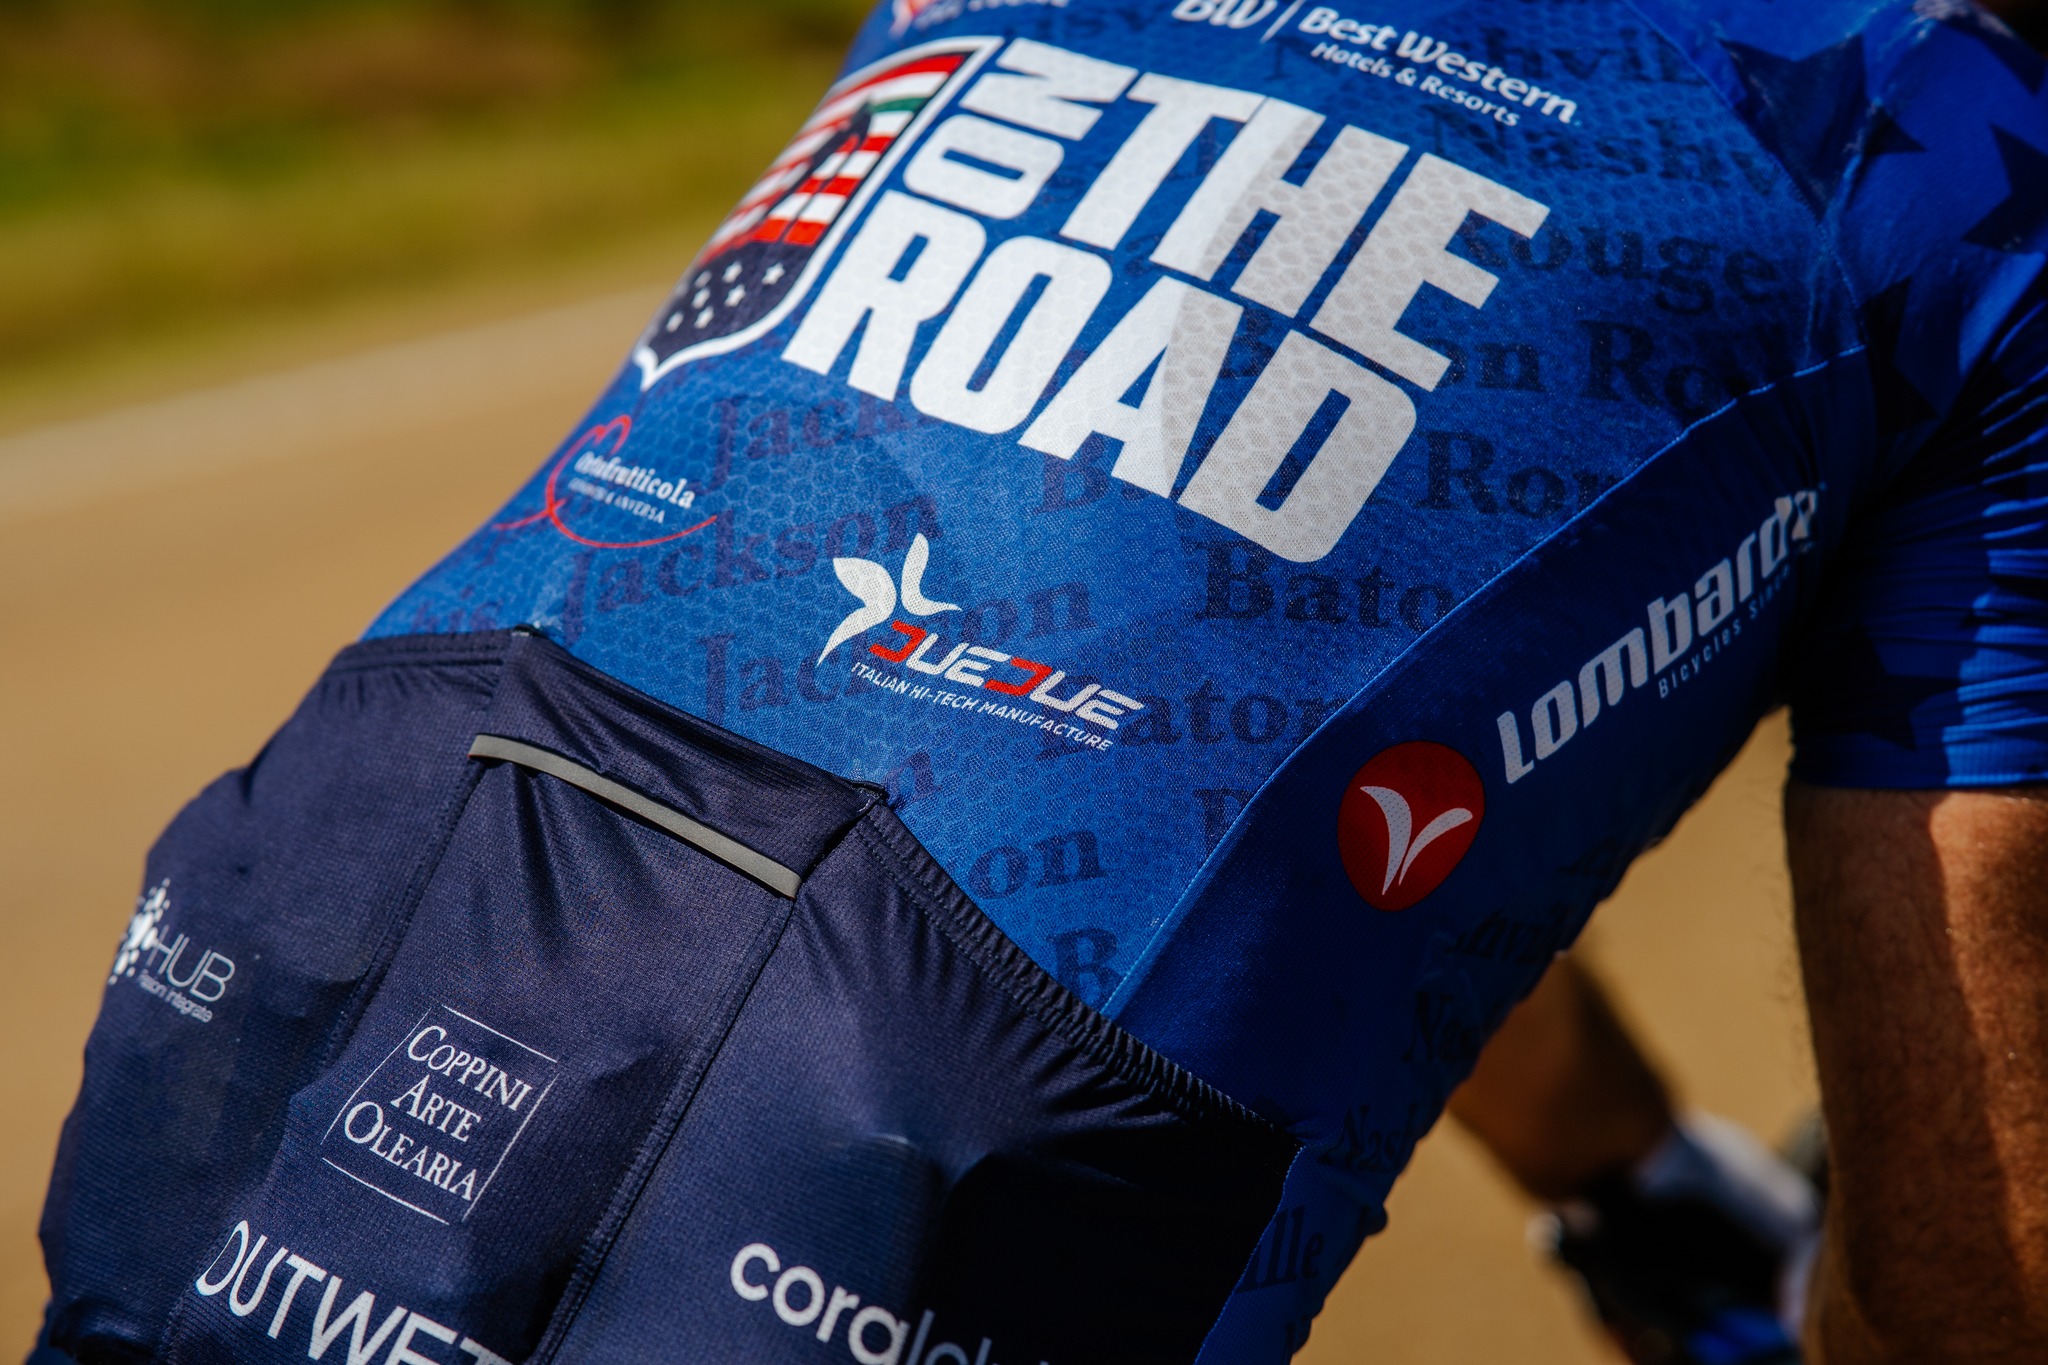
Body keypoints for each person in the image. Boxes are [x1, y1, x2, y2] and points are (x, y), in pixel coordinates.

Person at [33, 1, 2048, 1362]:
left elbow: (1234, 710)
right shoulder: (1954, 151)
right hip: (934, 1093)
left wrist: (1627, 1181)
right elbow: (1976, 1280)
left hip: (324, 855)